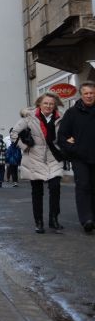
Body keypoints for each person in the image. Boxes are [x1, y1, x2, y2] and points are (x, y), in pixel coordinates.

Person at [11, 93, 65, 234]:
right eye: (45, 103)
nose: (48, 106)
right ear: (39, 104)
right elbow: (14, 133)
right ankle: (38, 222)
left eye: (51, 104)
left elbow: (66, 134)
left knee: (55, 187)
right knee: (37, 191)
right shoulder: (29, 118)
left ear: (55, 105)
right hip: (34, 158)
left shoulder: (60, 118)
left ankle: (53, 219)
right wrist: (25, 147)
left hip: (54, 157)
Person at [57, 81, 95, 233]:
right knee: (83, 185)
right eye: (86, 93)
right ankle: (87, 219)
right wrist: (73, 148)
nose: (89, 96)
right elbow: (62, 136)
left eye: (92, 93)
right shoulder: (72, 113)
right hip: (80, 158)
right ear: (81, 94)